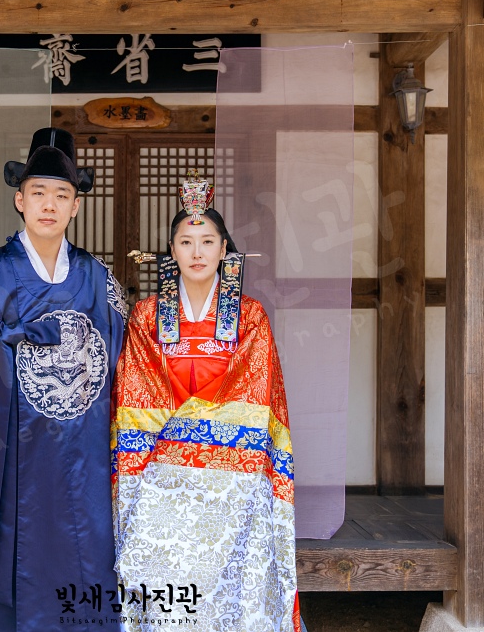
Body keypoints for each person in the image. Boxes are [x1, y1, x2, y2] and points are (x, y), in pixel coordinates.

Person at [0, 128, 128, 631]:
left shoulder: (98, 278)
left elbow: (125, 358)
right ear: (20, 199)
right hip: (10, 448)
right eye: (38, 192)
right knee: (9, 553)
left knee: (84, 549)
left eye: (61, 195)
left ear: (76, 207)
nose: (49, 205)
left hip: (81, 450)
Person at [112, 174, 304, 631]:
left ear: (224, 250)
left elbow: (255, 392)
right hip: (158, 468)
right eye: (185, 242)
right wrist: (177, 454)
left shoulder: (250, 316)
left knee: (235, 566)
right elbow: (138, 390)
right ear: (171, 252)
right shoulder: (146, 316)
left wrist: (203, 449)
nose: (196, 252)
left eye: (207, 242)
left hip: (234, 471)